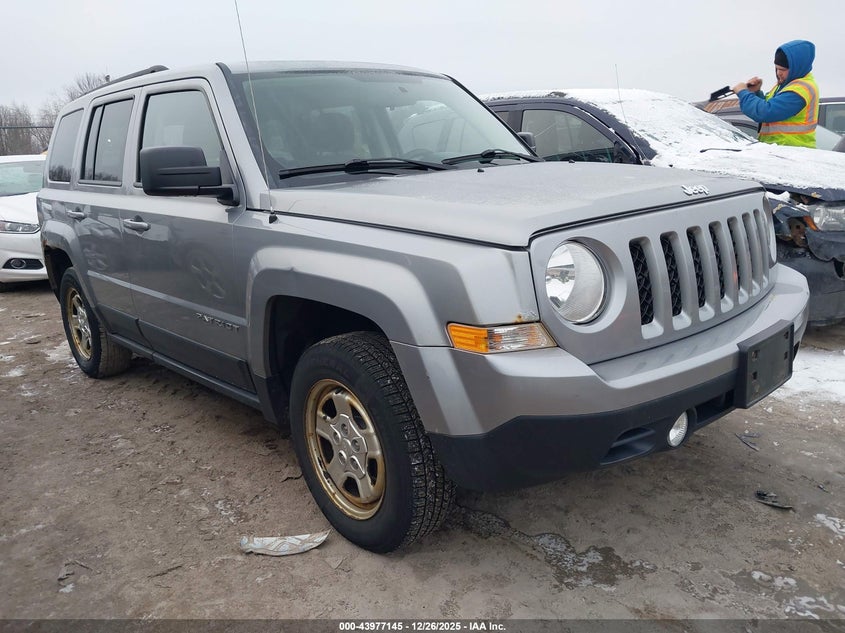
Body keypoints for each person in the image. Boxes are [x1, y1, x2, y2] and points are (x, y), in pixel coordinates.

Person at [732, 39, 819, 148]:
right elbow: (768, 107)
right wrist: (756, 92)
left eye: (782, 69)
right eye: (776, 68)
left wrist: (743, 92)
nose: (778, 73)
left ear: (796, 67)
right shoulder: (785, 85)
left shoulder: (800, 89)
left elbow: (765, 112)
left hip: (793, 153)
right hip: (780, 151)